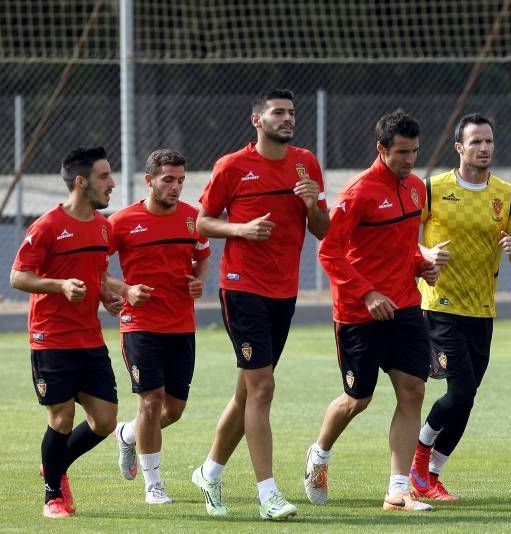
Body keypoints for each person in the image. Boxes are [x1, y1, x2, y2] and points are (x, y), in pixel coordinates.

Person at [191, 89, 329, 520]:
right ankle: (268, 493)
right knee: (263, 389)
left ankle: (210, 472)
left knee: (247, 391)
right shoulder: (232, 166)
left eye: (291, 112)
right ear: (258, 120)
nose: (287, 119)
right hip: (241, 287)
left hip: (282, 291)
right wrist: (240, 230)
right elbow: (201, 222)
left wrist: (310, 202)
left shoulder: (306, 162)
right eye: (278, 113)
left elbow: (324, 229)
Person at [303, 110, 439, 513]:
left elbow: (400, 245)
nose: (410, 160)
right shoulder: (358, 192)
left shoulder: (416, 188)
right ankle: (320, 454)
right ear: (381, 149)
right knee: (356, 400)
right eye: (401, 152)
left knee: (413, 391)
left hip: (406, 308)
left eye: (414, 151)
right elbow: (328, 251)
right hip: (359, 314)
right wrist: (366, 295)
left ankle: (397, 491)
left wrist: (420, 265)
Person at [409, 113, 511, 501]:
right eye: (475, 142)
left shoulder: (507, 195)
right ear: (459, 147)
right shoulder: (432, 189)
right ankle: (418, 457)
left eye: (489, 141)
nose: (484, 148)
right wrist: (424, 252)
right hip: (440, 305)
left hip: (482, 310)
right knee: (459, 392)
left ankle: (431, 475)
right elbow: (402, 238)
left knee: (468, 397)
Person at [10, 147, 122, 518]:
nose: (112, 183)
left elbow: (97, 272)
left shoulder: (103, 226)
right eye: (104, 176)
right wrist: (59, 286)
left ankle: (54, 465)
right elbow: (18, 276)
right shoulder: (46, 226)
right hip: (51, 338)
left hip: (89, 337)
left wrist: (107, 293)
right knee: (61, 418)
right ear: (81, 181)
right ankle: (52, 496)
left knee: (105, 420)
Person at [108, 149, 210, 504]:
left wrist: (198, 282)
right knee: (150, 400)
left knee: (173, 410)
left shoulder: (193, 218)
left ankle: (129, 434)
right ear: (149, 180)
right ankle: (153, 484)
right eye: (168, 179)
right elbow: (93, 266)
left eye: (181, 180)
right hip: (140, 325)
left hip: (181, 324)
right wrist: (124, 290)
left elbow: (202, 259)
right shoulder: (121, 222)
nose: (176, 186)